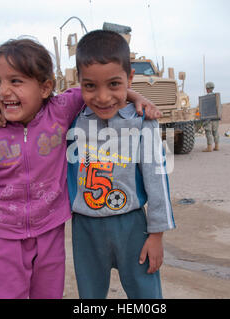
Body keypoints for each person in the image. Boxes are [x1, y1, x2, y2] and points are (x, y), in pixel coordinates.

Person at [0, 38, 158, 299]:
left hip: (50, 232)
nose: (3, 91)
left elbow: (102, 88)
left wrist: (136, 96)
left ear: (45, 88)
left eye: (15, 81)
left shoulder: (60, 110)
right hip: (4, 235)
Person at [67, 30, 175, 299]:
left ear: (129, 80)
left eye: (114, 85)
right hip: (85, 228)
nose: (103, 97)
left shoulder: (142, 123)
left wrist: (157, 235)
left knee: (145, 294)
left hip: (132, 227)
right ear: (79, 82)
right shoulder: (72, 119)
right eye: (90, 86)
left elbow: (157, 181)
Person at [202, 81, 220, 152]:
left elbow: (202, 109)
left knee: (208, 132)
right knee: (215, 132)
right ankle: (217, 146)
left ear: (207, 88)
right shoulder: (216, 97)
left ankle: (209, 147)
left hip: (208, 119)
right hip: (216, 118)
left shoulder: (205, 98)